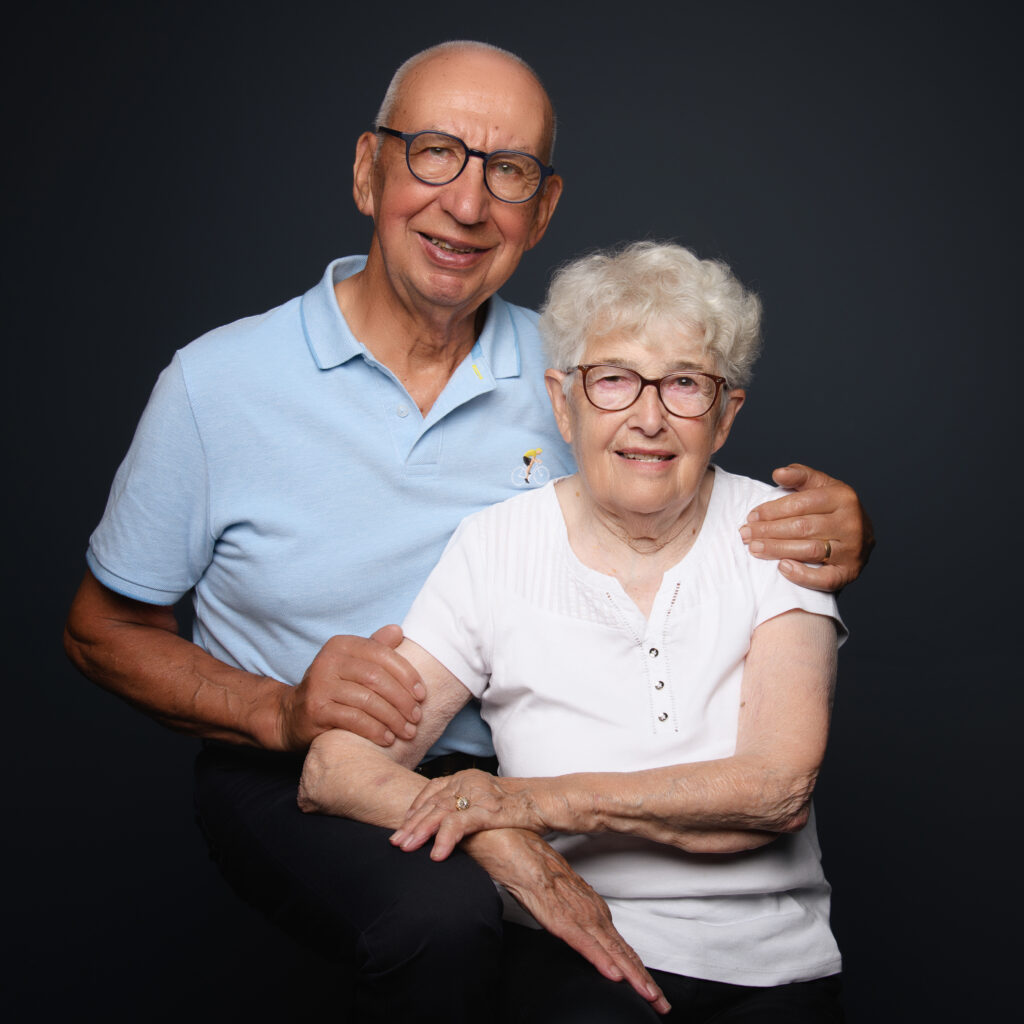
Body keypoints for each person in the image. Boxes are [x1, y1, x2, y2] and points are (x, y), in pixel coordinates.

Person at [64, 41, 870, 1022]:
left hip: (510, 762)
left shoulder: (584, 369)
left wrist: (829, 530)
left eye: (509, 171)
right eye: (435, 153)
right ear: (368, 169)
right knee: (443, 922)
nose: (467, 203)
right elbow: (100, 631)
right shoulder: (216, 384)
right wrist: (283, 713)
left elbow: (704, 503)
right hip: (297, 758)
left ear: (544, 207)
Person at [300, 241, 846, 1021]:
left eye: (685, 383)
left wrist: (521, 803)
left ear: (725, 417)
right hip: (569, 949)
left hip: (775, 969)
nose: (649, 418)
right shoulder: (498, 544)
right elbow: (337, 767)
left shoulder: (778, 534)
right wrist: (503, 844)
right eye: (615, 380)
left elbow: (774, 790)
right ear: (564, 403)